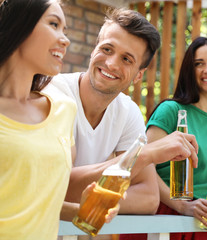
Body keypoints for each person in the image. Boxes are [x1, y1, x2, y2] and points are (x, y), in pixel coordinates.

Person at [42, 7, 199, 222]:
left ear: (138, 75)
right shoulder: (54, 93)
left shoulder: (128, 112)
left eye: (127, 59)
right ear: (93, 49)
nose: (111, 63)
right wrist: (144, 155)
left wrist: (87, 198)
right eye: (107, 49)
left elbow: (148, 198)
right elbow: (50, 186)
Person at [0, 0, 118, 239]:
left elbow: (35, 201)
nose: (65, 40)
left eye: (65, 30)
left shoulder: (63, 110)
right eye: (53, 24)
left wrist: (81, 210)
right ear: (19, 25)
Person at [121, 37, 207, 240]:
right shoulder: (171, 111)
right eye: (198, 64)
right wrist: (182, 205)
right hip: (160, 216)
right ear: (189, 71)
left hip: (198, 223)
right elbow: (142, 167)